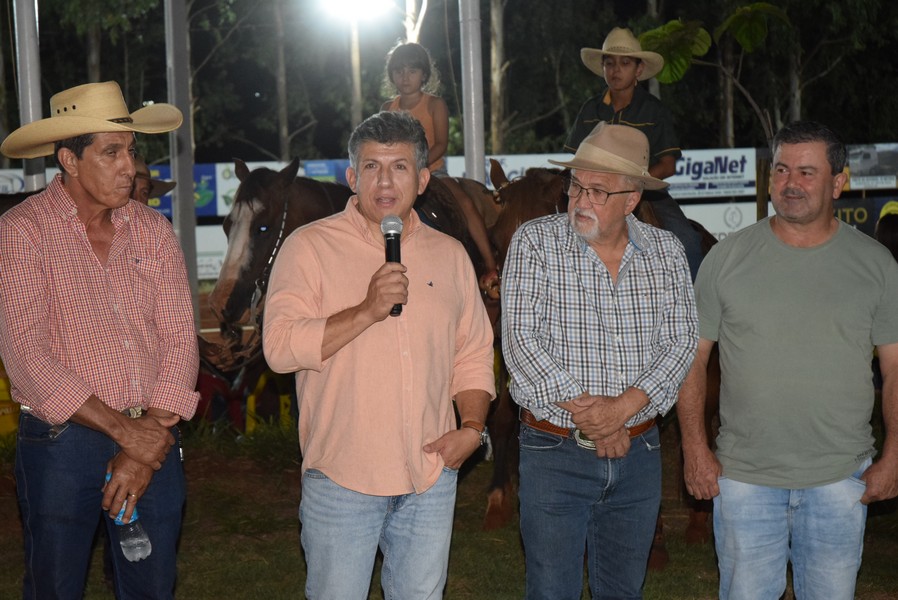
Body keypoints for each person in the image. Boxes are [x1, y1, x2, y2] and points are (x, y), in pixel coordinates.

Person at [262, 110, 495, 599]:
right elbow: (280, 350)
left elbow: (472, 353)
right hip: (343, 480)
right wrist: (367, 309)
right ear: (351, 176)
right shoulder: (308, 249)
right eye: (371, 167)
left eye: (399, 167)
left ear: (423, 178)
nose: (384, 180)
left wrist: (471, 431)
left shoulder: (451, 254)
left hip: (430, 477)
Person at [678, 120, 898, 600]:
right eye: (780, 170)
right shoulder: (727, 258)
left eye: (806, 172)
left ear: (838, 182)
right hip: (743, 479)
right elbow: (691, 361)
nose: (790, 183)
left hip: (841, 479)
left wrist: (896, 453)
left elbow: (896, 368)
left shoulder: (876, 265)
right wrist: (695, 449)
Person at [0, 81, 199, 598]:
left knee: (152, 587)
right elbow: (27, 355)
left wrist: (142, 442)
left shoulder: (153, 231)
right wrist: (126, 432)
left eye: (131, 151)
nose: (128, 166)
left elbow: (180, 340)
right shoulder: (22, 232)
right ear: (69, 158)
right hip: (62, 442)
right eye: (111, 152)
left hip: (152, 434)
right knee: (55, 587)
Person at [501, 122, 698, 599]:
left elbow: (681, 342)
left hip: (640, 455)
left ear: (632, 199)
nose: (580, 201)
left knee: (624, 591)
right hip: (554, 452)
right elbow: (521, 342)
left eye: (597, 191)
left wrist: (622, 409)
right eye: (575, 186)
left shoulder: (666, 252)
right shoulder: (535, 242)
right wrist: (598, 418)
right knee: (551, 591)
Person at [566, 27, 703, 280]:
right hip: (591, 193)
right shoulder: (589, 110)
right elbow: (574, 161)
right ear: (603, 67)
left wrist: (631, 185)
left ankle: (694, 306)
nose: (616, 70)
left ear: (638, 70)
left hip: (649, 195)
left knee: (688, 241)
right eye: (610, 63)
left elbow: (668, 164)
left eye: (625, 63)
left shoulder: (654, 110)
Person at [381, 41, 498, 288]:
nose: (405, 76)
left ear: (423, 74)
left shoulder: (435, 104)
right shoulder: (386, 108)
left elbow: (442, 144)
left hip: (432, 171)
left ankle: (490, 265)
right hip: (396, 176)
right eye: (399, 71)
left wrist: (416, 165)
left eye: (412, 70)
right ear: (392, 75)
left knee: (465, 203)